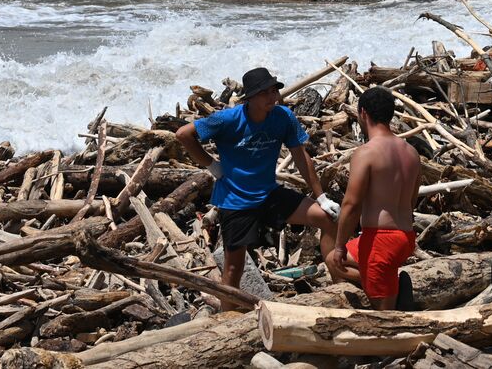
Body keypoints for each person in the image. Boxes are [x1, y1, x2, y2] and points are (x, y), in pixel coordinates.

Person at [176, 67, 340, 306]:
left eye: (274, 91)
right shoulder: (228, 119)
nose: (272, 97)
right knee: (233, 267)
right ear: (250, 97)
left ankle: (339, 287)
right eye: (265, 93)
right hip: (236, 200)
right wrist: (212, 165)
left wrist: (322, 197)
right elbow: (183, 134)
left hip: (269, 194)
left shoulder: (283, 117)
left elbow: (301, 157)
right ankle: (225, 320)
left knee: (325, 217)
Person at [326, 87, 421, 310]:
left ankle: (391, 301)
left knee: (385, 319)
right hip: (405, 237)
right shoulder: (411, 153)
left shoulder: (367, 153)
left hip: (380, 241)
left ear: (363, 114)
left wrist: (340, 245)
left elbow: (351, 204)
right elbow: (412, 201)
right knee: (332, 260)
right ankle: (385, 284)